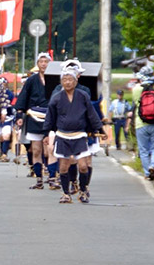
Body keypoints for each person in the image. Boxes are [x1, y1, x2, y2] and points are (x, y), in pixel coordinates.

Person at [42, 66, 106, 203]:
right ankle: (66, 194)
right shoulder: (56, 98)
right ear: (61, 82)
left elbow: (91, 114)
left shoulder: (83, 96)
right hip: (63, 135)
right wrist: (46, 134)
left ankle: (83, 190)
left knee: (83, 165)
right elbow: (50, 117)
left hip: (80, 135)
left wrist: (100, 130)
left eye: (70, 79)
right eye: (64, 79)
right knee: (63, 167)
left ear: (75, 81)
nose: (67, 82)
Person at [15, 52, 51, 190]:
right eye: (41, 61)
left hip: (50, 116)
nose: (43, 64)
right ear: (37, 64)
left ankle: (53, 175)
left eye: (46, 61)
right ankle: (39, 179)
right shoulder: (31, 80)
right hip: (34, 116)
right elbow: (23, 97)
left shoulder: (56, 79)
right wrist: (19, 116)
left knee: (49, 150)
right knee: (36, 150)